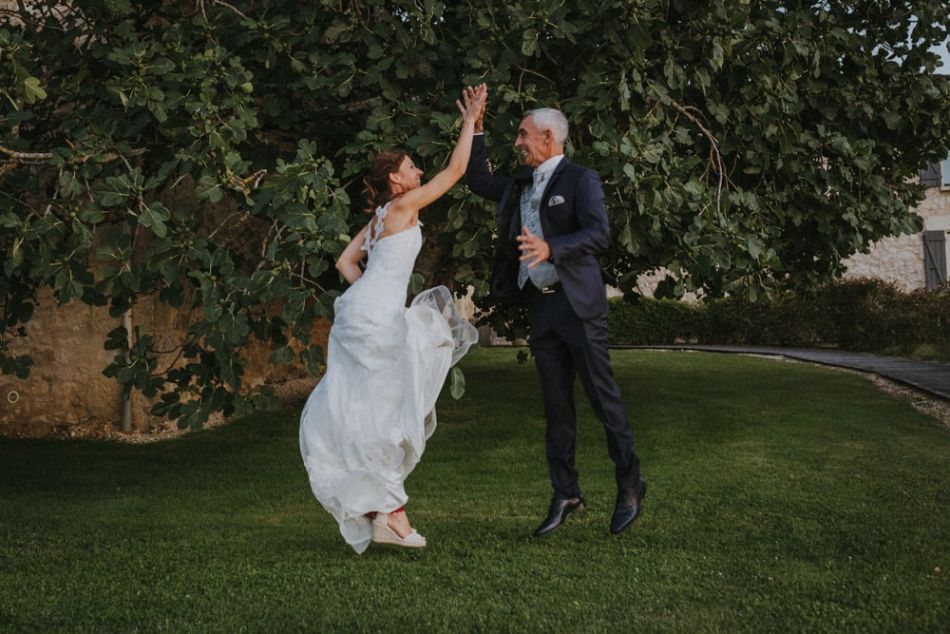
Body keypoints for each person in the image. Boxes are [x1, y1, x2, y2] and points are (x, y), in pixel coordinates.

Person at [300, 85, 485, 553]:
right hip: (377, 316)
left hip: (360, 312)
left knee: (374, 410)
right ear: (397, 181)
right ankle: (391, 513)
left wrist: (370, 293)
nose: (418, 171)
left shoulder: (378, 217)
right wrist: (470, 122)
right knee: (390, 411)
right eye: (411, 168)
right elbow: (457, 170)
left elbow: (345, 264)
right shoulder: (402, 207)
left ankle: (384, 509)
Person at [464, 87, 646, 536]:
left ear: (548, 137)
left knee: (604, 401)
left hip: (579, 307)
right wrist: (475, 125)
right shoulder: (521, 183)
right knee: (556, 407)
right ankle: (566, 492)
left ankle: (630, 483)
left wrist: (552, 247)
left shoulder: (581, 180)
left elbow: (599, 234)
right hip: (542, 310)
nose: (519, 142)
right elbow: (478, 180)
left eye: (524, 135)